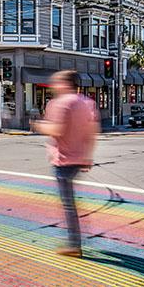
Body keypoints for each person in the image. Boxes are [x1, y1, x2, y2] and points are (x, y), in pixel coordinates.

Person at [32, 70, 100, 258]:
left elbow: (57, 129)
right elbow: (92, 133)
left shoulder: (60, 103)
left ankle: (74, 244)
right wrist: (87, 157)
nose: (54, 86)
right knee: (71, 203)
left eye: (57, 82)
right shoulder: (87, 103)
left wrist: (38, 125)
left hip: (63, 160)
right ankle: (75, 240)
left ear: (65, 83)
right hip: (79, 159)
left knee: (68, 204)